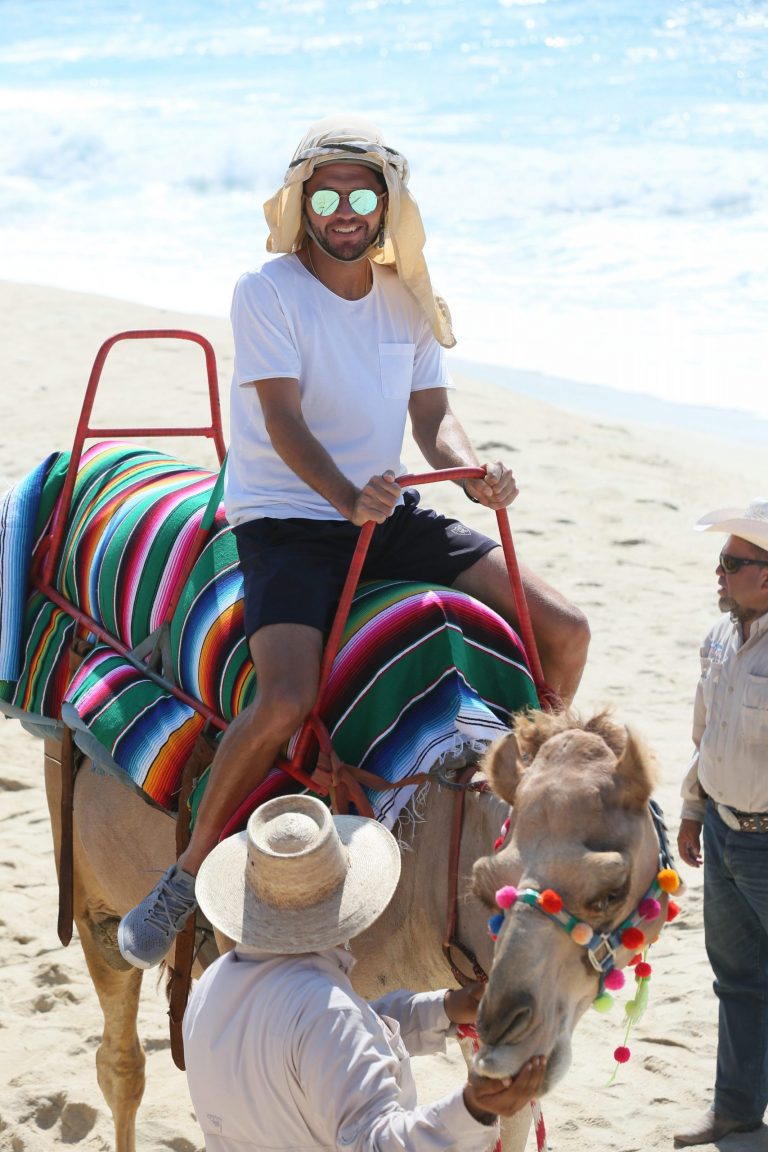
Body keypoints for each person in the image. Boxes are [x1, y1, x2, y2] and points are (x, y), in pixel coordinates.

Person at [118, 115, 589, 970]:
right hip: (288, 519)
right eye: (327, 195)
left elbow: (433, 418)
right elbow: (282, 419)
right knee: (285, 698)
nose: (344, 211)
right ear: (302, 203)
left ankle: (539, 805)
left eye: (363, 196)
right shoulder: (267, 290)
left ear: (387, 206)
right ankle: (184, 876)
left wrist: (472, 471)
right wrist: (345, 497)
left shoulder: (406, 297)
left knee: (565, 629)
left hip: (384, 511)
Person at [182, 792, 546, 1150]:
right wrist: (471, 1109)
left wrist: (445, 1008)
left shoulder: (213, 984)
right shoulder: (327, 1014)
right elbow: (375, 1138)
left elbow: (328, 1045)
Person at [675, 498, 768, 1147]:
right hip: (722, 832)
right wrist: (692, 810)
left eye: (732, 563)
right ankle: (736, 1110)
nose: (719, 572)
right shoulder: (717, 639)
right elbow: (704, 736)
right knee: (736, 980)